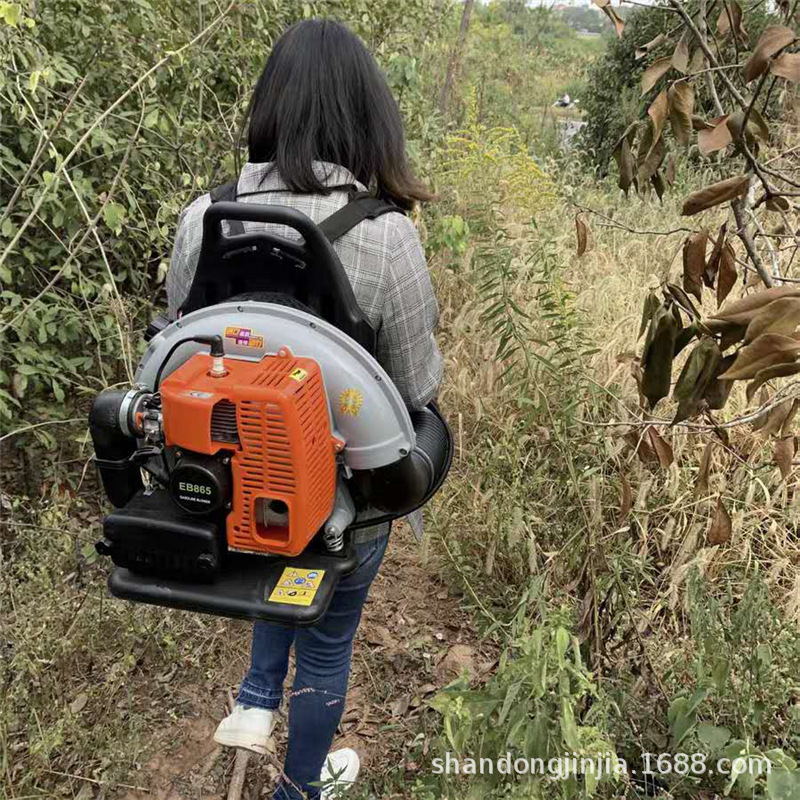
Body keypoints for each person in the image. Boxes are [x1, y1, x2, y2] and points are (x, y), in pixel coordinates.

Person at [165, 18, 443, 800]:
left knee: (269, 539)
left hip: (227, 487)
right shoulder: (387, 238)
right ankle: (300, 787)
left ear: (271, 105)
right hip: (342, 506)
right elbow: (415, 388)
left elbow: (181, 349)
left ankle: (256, 699)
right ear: (367, 117)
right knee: (327, 638)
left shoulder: (202, 217)